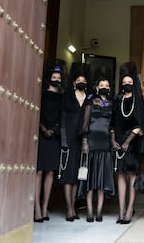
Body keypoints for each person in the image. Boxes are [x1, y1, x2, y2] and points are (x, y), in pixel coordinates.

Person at [110, 62, 144, 224]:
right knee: (120, 176)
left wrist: (127, 141)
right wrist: (113, 140)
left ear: (134, 84)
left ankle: (130, 209)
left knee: (132, 176)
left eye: (129, 83)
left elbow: (140, 124)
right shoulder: (117, 99)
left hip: (133, 143)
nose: (126, 85)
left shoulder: (138, 100)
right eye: (124, 83)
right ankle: (121, 210)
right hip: (118, 143)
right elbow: (112, 122)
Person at [78, 78, 115, 222]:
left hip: (105, 144)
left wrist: (112, 142)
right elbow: (85, 125)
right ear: (97, 87)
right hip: (92, 143)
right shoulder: (90, 102)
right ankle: (89, 212)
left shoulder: (112, 104)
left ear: (110, 88)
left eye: (107, 85)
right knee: (90, 180)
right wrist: (85, 142)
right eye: (101, 85)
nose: (104, 87)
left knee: (101, 180)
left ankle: (99, 212)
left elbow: (112, 126)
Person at [59, 72, 91, 221]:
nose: (81, 82)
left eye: (83, 80)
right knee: (68, 175)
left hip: (83, 140)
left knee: (78, 175)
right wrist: (64, 141)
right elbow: (63, 119)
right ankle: (69, 208)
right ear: (73, 83)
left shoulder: (89, 99)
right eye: (79, 80)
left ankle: (73, 205)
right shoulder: (68, 97)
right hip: (69, 139)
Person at [34, 66, 63, 222]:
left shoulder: (62, 97)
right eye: (54, 77)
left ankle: (45, 206)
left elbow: (62, 116)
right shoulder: (41, 94)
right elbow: (36, 111)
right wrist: (43, 128)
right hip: (41, 134)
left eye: (59, 78)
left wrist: (53, 130)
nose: (57, 80)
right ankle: (37, 207)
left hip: (55, 135)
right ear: (49, 78)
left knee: (51, 172)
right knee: (39, 171)